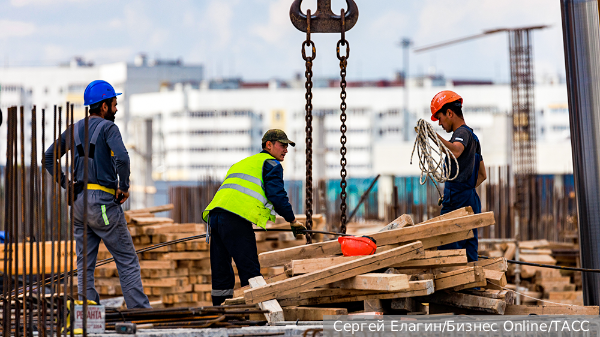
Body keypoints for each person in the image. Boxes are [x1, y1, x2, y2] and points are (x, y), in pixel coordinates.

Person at [44, 80, 150, 308]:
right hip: (102, 202)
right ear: (103, 106)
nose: (116, 108)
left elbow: (48, 157)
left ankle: (88, 311)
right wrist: (124, 186)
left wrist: (66, 183)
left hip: (79, 204)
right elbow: (122, 157)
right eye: (114, 104)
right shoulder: (109, 128)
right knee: (126, 259)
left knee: (84, 264)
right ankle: (140, 313)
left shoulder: (74, 129)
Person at [203, 129, 305, 306]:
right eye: (282, 145)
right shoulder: (271, 163)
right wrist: (292, 221)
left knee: (221, 271)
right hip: (236, 218)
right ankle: (254, 313)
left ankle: (220, 313)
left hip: (215, 216)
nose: (286, 150)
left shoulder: (243, 163)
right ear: (269, 145)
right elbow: (277, 195)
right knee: (249, 270)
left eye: (287, 146)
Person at [430, 90, 487, 262]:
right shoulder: (474, 138)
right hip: (469, 198)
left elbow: (455, 151)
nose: (439, 123)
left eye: (439, 118)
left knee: (449, 252)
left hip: (457, 200)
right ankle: (473, 288)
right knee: (468, 250)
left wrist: (433, 137)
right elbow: (483, 175)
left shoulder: (461, 134)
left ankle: (455, 288)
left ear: (449, 113)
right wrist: (466, 190)